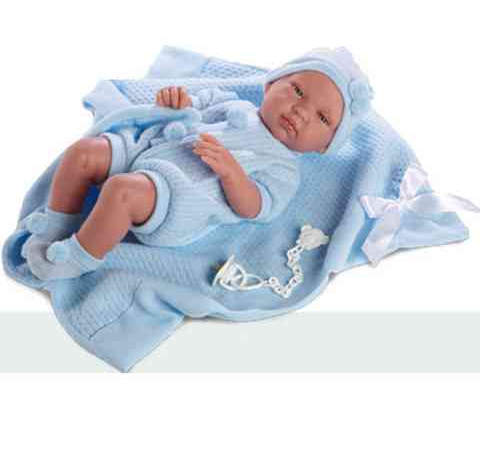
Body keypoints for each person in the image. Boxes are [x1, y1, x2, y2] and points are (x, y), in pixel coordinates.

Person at [22, 47, 373, 281]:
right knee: (84, 152)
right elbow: (191, 109)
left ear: (324, 146)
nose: (301, 111)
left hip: (179, 194)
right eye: (297, 91)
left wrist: (232, 173)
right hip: (153, 147)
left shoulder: (283, 168)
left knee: (120, 192)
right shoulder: (231, 103)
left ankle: (80, 256)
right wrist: (176, 104)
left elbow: (256, 208)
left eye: (322, 118)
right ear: (270, 85)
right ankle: (59, 220)